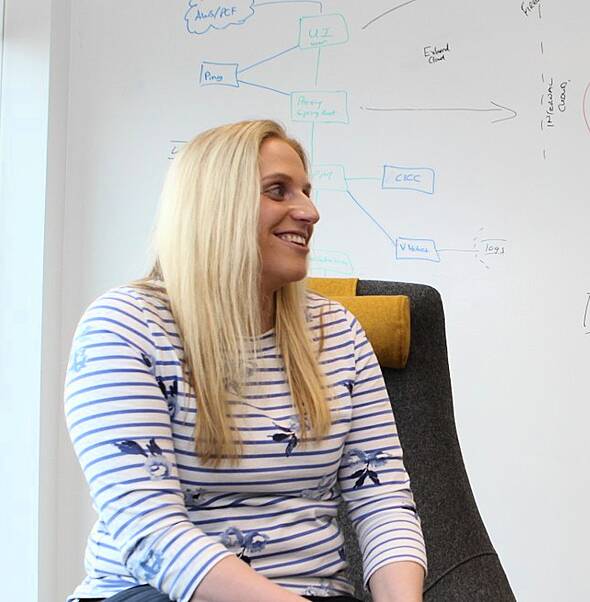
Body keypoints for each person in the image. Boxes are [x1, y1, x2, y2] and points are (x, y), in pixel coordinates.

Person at [64, 120, 426, 602]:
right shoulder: (125, 326)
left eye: (306, 192)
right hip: (159, 593)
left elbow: (381, 499)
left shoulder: (337, 331)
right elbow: (146, 526)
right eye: (278, 191)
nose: (310, 211)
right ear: (218, 207)